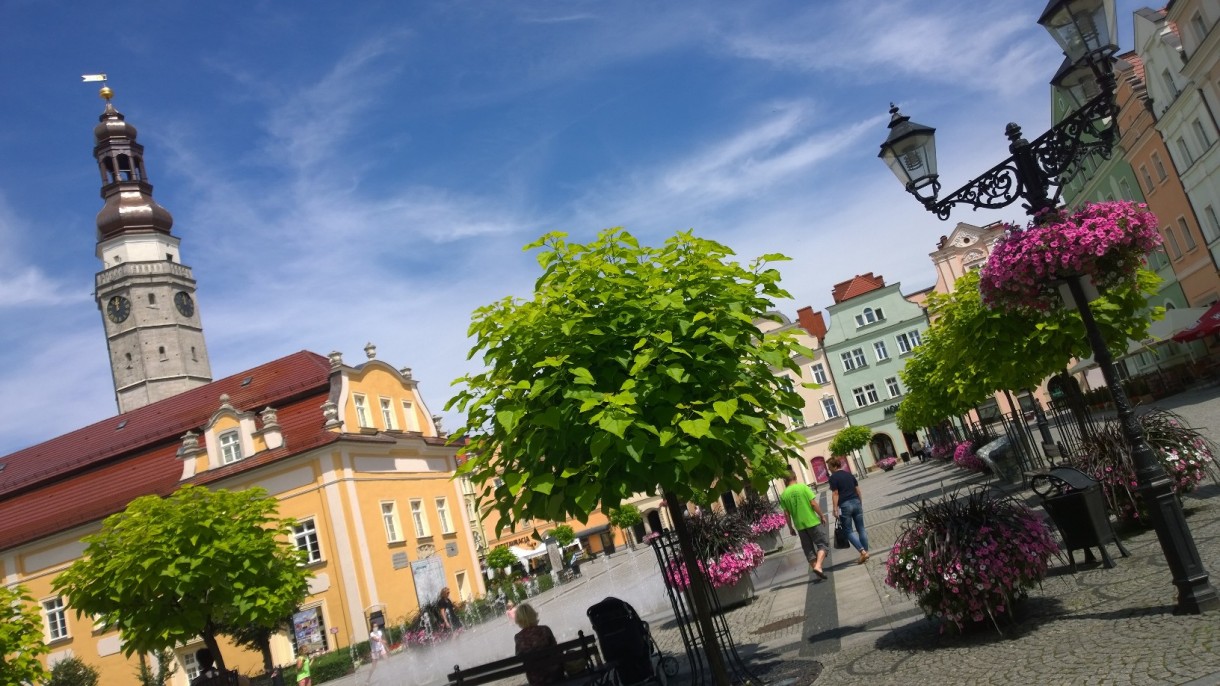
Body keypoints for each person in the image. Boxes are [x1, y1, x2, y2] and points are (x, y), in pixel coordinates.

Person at [778, 469, 828, 579]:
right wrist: (821, 515)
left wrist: (790, 527)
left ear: (785, 481)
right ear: (795, 477)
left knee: (808, 549)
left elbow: (786, 514)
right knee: (822, 544)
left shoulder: (784, 495)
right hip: (812, 522)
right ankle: (818, 566)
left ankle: (817, 570)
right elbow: (813, 504)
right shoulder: (803, 487)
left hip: (800, 526)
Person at [827, 456, 870, 564]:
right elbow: (858, 490)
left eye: (829, 467)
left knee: (848, 531)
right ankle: (865, 552)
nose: (829, 469)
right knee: (861, 529)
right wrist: (860, 502)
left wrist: (835, 508)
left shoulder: (833, 478)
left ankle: (863, 552)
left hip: (845, 505)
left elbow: (835, 493)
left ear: (834, 466)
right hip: (856, 502)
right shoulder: (849, 474)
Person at [513, 603, 564, 686]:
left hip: (535, 680)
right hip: (555, 675)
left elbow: (519, 656)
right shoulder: (545, 630)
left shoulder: (518, 637)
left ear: (518, 620)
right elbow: (556, 649)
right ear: (533, 615)